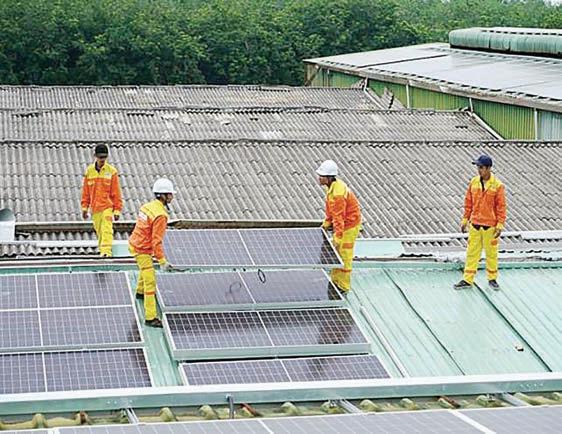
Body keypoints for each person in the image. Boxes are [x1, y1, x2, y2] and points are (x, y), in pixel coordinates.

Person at [454, 154, 507, 291]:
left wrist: (500, 225)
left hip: (490, 227)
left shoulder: (497, 185)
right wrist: (465, 219)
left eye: (481, 167)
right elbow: (468, 203)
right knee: (472, 253)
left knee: (491, 254)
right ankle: (467, 279)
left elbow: (501, 207)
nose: (479, 170)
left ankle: (492, 279)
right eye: (478, 167)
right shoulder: (474, 182)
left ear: (489, 168)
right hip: (475, 225)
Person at [129, 178, 175, 328]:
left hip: (135, 243)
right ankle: (150, 317)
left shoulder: (147, 207)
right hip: (142, 249)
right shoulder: (160, 215)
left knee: (145, 269)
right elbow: (156, 241)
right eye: (170, 194)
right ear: (163, 195)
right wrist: (162, 261)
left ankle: (140, 292)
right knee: (150, 281)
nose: (172, 197)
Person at [316, 160, 361, 293]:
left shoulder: (338, 193)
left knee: (344, 254)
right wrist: (327, 221)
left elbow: (339, 217)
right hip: (343, 223)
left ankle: (343, 286)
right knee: (337, 253)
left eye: (322, 176)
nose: (319, 178)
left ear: (329, 178)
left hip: (349, 225)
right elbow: (331, 209)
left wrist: (337, 237)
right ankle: (335, 280)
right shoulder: (332, 188)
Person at [80, 144, 122, 257]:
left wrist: (117, 210)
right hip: (95, 209)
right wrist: (84, 208)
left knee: (106, 230)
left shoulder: (111, 171)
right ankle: (102, 253)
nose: (102, 160)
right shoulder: (89, 171)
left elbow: (116, 193)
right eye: (100, 157)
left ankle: (106, 252)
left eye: (104, 157)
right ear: (95, 156)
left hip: (107, 207)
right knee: (99, 232)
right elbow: (86, 192)